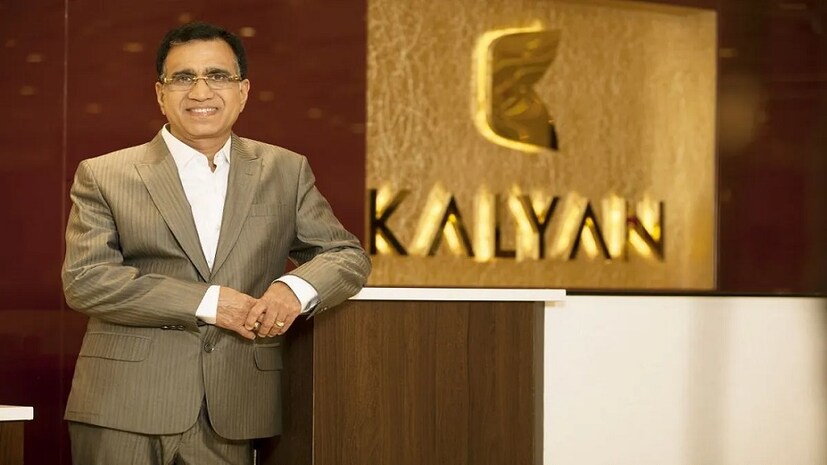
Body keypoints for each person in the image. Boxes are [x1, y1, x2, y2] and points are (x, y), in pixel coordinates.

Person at [61, 22, 371, 464]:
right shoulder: (104, 174)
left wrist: (293, 290)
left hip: (234, 409)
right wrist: (209, 302)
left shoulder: (286, 171)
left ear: (243, 92)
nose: (201, 91)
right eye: (183, 77)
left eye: (218, 76)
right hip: (122, 406)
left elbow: (345, 255)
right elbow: (86, 281)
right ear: (160, 94)